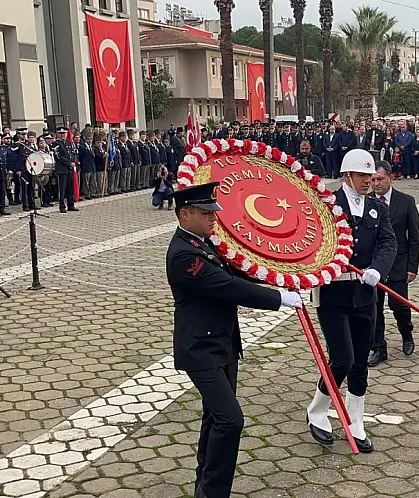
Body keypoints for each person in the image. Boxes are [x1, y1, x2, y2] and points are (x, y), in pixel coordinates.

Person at [166, 182, 302, 498]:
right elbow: (227, 286)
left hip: (223, 345)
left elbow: (239, 273)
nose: (213, 218)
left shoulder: (205, 242)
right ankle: (213, 492)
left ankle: (204, 484)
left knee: (215, 418)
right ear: (184, 214)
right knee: (230, 421)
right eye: (205, 213)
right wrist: (278, 297)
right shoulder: (184, 254)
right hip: (200, 349)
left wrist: (279, 276)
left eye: (213, 212)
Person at [306, 149, 396, 454]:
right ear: (347, 176)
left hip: (364, 294)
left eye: (371, 178)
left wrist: (377, 269)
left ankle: (355, 419)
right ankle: (318, 410)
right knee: (341, 358)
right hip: (332, 293)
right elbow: (313, 242)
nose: (368, 183)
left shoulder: (376, 207)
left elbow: (388, 241)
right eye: (362, 177)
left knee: (360, 361)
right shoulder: (328, 204)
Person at [368, 161, 419, 366]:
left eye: (380, 179)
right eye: (372, 180)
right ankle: (379, 347)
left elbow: (414, 237)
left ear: (390, 178)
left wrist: (412, 267)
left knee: (399, 306)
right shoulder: (367, 201)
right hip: (374, 266)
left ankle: (406, 334)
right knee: (374, 308)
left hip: (399, 263)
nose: (375, 184)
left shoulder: (406, 201)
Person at [52, 127, 78, 213]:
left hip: (70, 169)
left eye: (64, 133)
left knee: (70, 188)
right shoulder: (56, 144)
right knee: (62, 189)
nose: (63, 135)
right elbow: (59, 157)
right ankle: (62, 206)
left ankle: (71, 205)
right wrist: (69, 163)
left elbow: (73, 153)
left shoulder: (69, 143)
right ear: (58, 134)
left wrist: (73, 161)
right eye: (61, 133)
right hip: (62, 169)